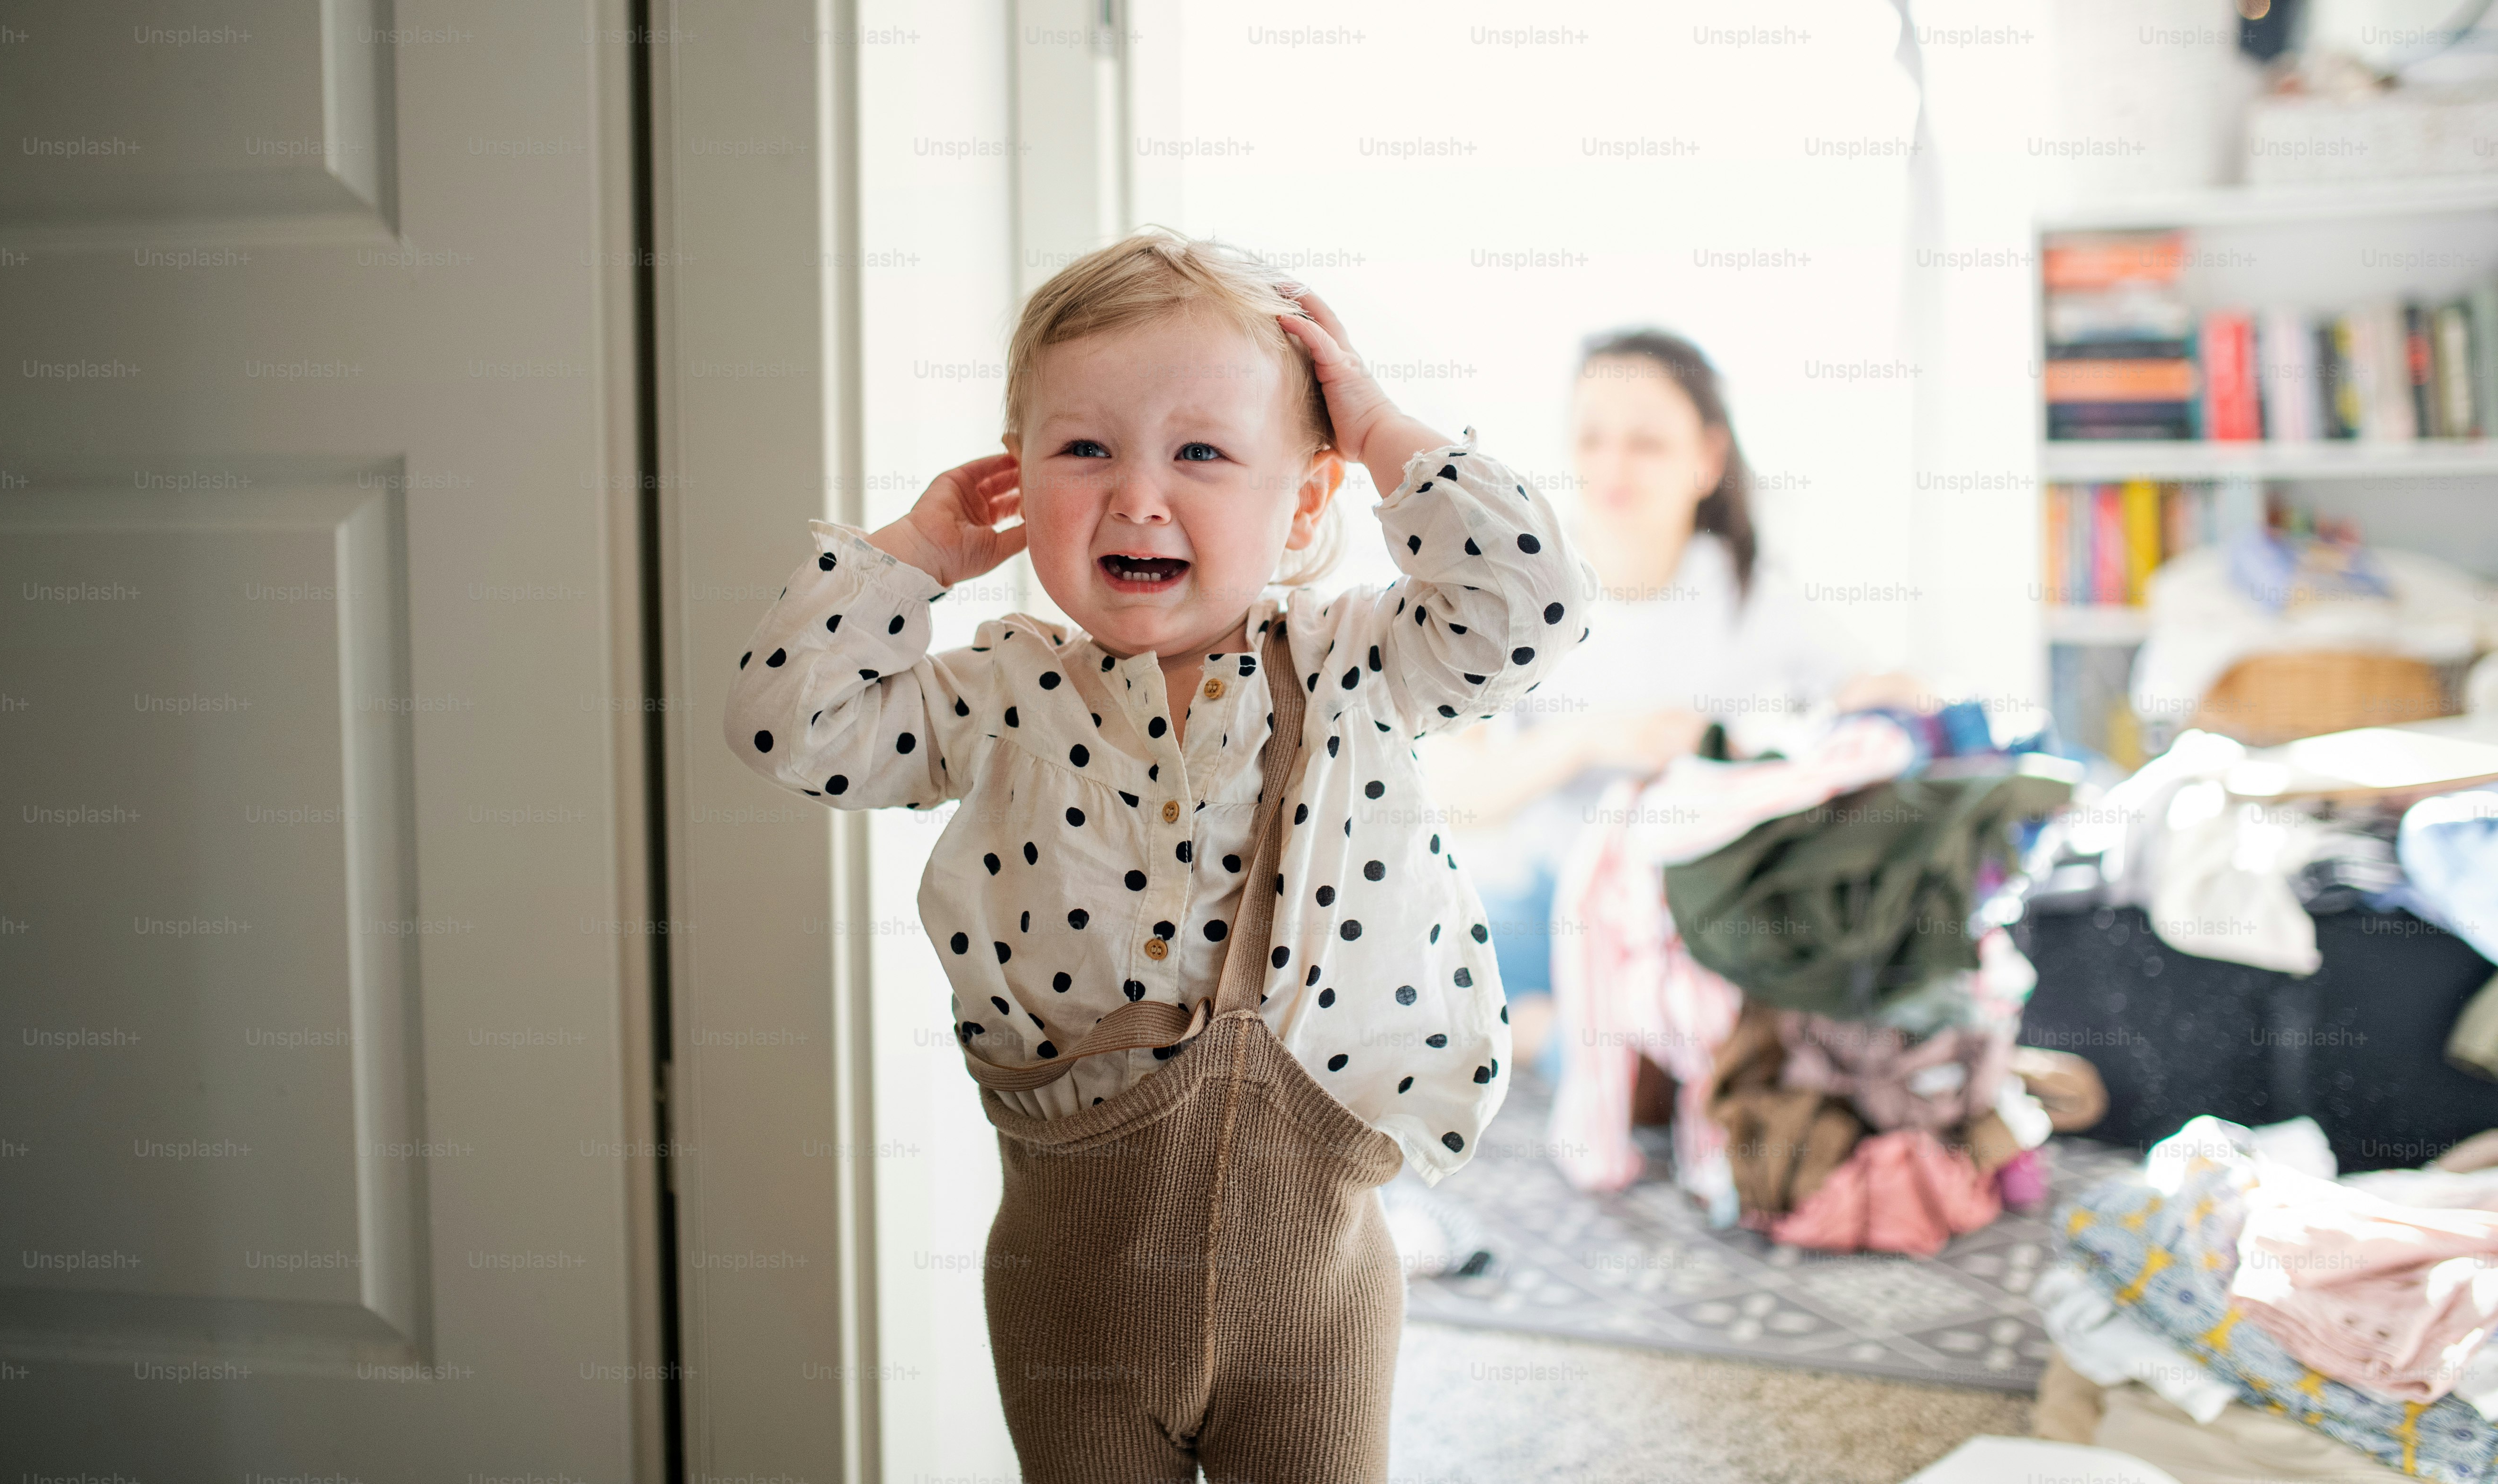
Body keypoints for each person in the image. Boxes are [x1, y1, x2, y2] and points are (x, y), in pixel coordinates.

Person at [724, 228, 1596, 1483]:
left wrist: (1384, 428)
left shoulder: (1356, 664)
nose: (1139, 496)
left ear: (1303, 500)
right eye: (1084, 448)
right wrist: (911, 554)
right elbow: (786, 724)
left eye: (1201, 453)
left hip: (1315, 1295)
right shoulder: (1003, 693)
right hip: (1068, 1288)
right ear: (1017, 480)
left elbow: (1533, 607)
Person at [1422, 329, 1920, 1076]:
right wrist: (1589, 741)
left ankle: (1618, 1046)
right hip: (1546, 906)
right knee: (1417, 953)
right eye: (1592, 438)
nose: (1613, 466)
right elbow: (1455, 797)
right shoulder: (1517, 595)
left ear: (1708, 460)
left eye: (1647, 443)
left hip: (1692, 908)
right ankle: (1575, 1042)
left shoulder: (1753, 594)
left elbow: (1888, 700)